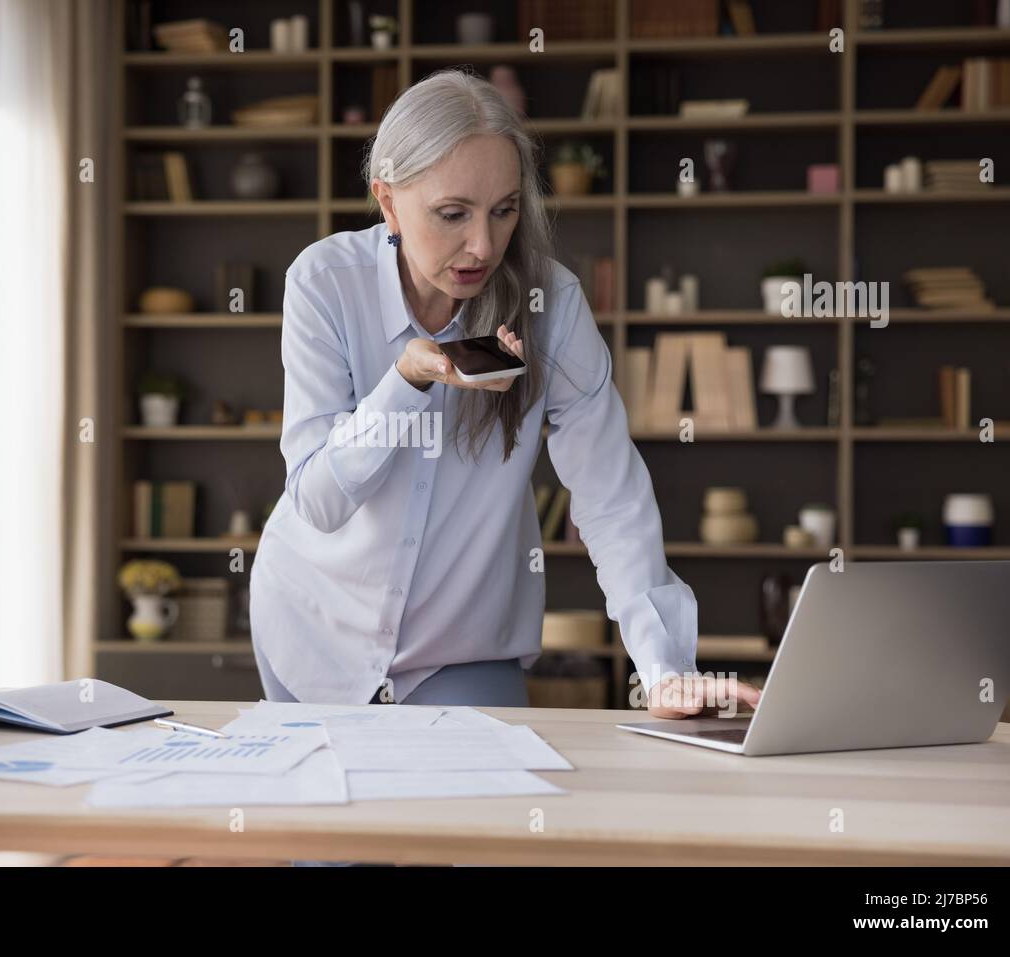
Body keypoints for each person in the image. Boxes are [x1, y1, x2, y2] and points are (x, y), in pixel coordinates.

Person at [249, 67, 760, 725]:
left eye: (505, 210)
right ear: (387, 200)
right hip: (311, 628)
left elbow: (611, 495)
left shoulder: (553, 305)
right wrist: (405, 381)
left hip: (462, 648)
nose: (484, 246)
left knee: (474, 822)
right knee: (328, 827)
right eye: (452, 214)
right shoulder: (324, 284)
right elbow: (317, 500)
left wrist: (666, 669)